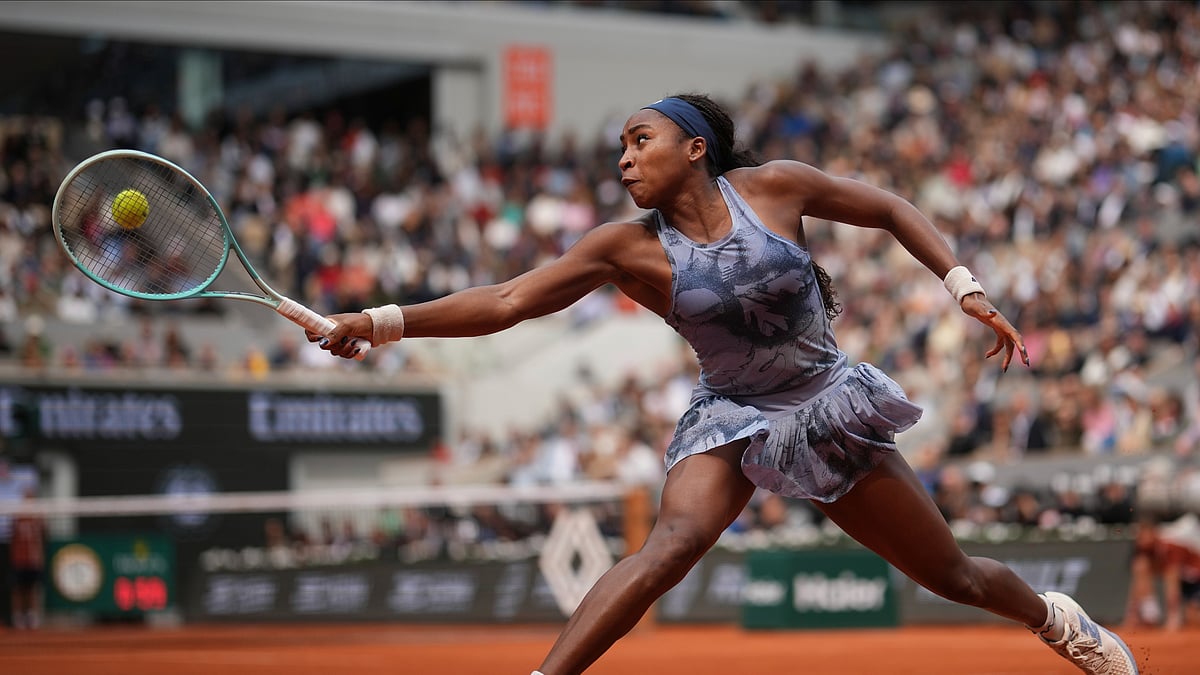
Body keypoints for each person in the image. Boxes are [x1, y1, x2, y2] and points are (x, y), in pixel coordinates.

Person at [310, 93, 1139, 675]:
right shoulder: (622, 248)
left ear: (695, 147)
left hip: (824, 403)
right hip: (730, 410)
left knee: (953, 576)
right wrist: (380, 322)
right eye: (621, 150)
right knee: (670, 545)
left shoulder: (775, 187)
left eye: (641, 141)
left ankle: (1056, 619)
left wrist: (965, 286)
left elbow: (887, 206)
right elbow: (505, 300)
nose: (625, 159)